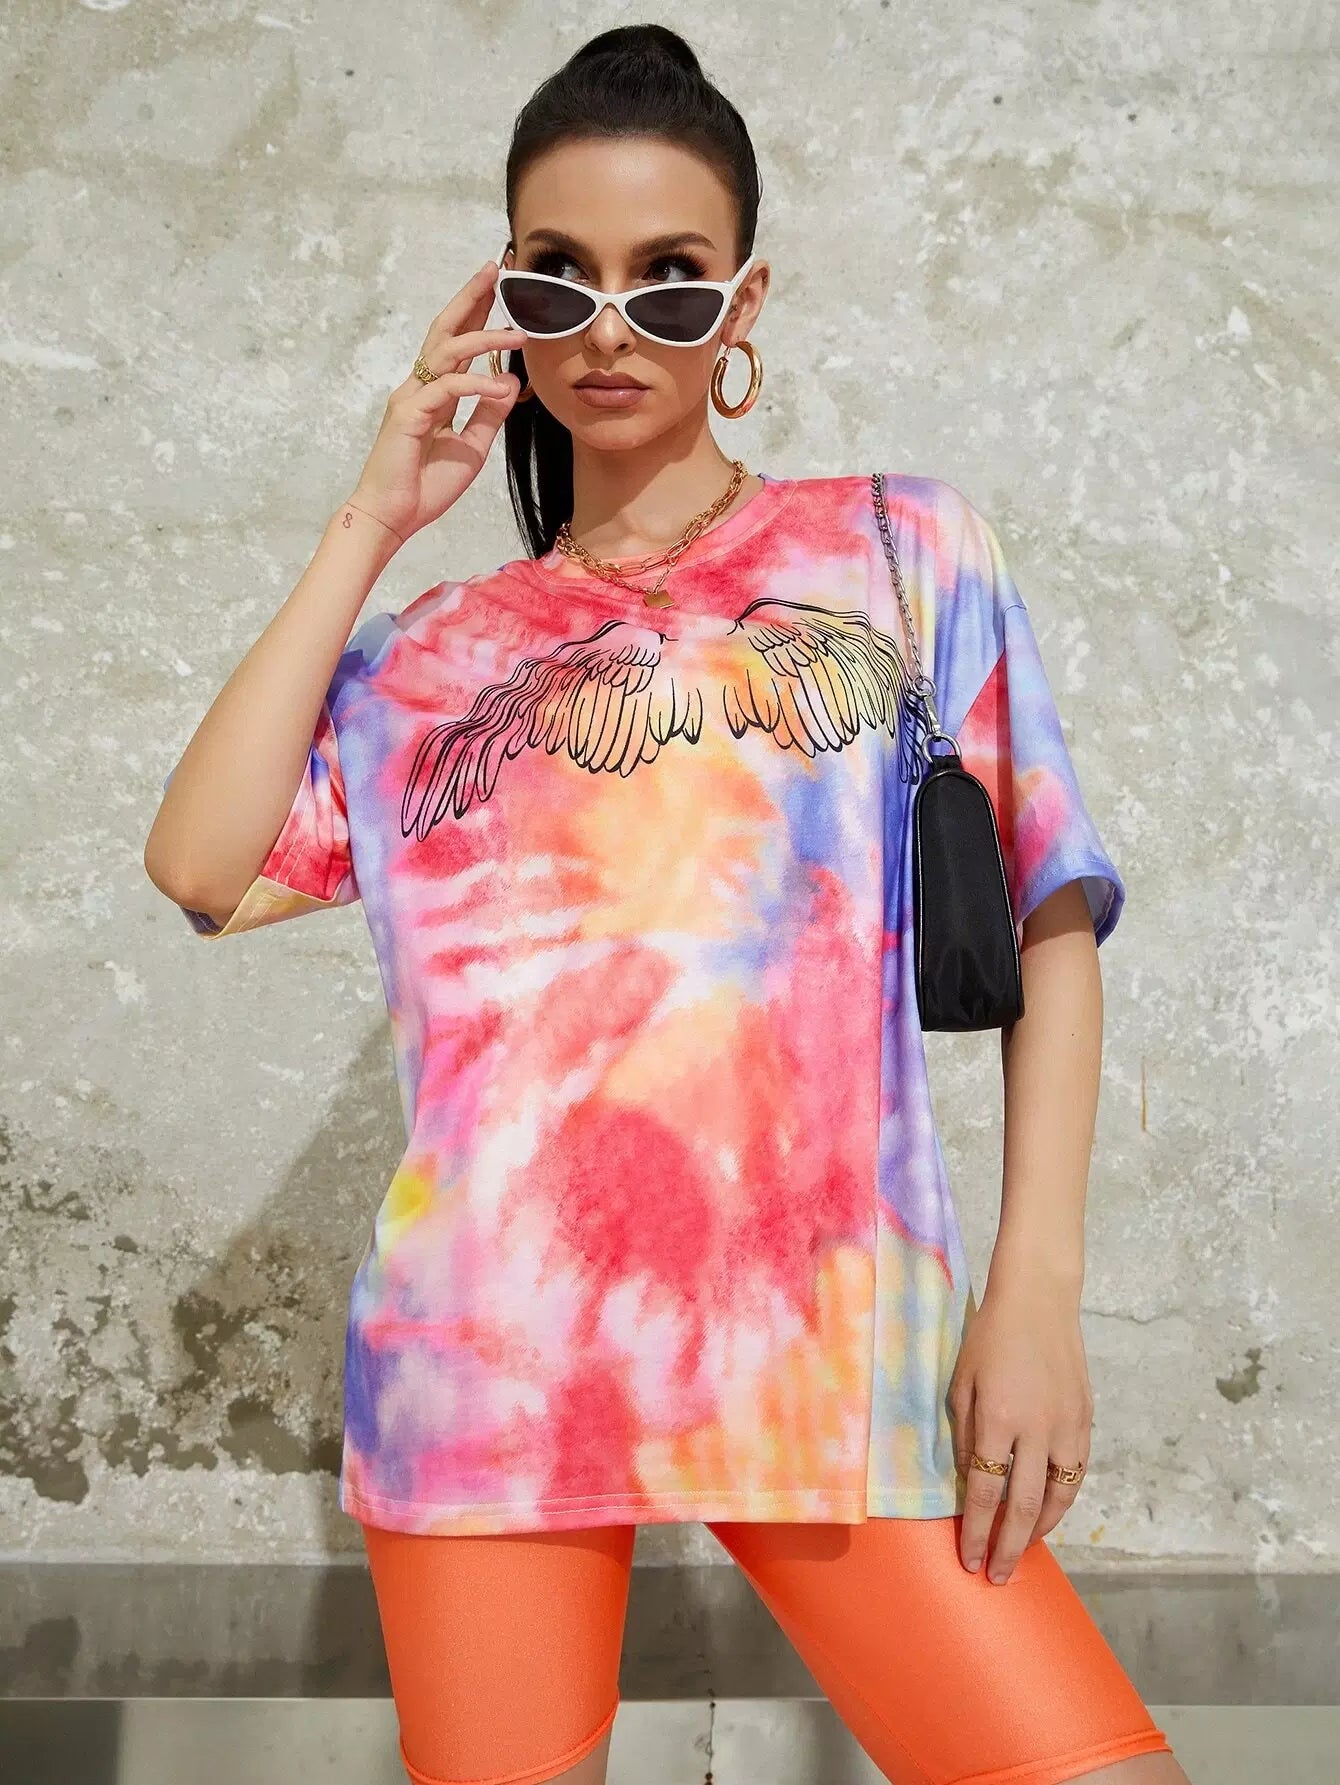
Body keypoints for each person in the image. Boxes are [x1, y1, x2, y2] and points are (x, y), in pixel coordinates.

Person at [144, 23, 1192, 1785]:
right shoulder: (429, 662)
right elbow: (198, 866)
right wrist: (372, 518)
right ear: (504, 303)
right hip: (487, 1375)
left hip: (830, 1354)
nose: (611, 328)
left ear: (743, 305)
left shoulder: (898, 551)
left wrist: (1037, 1287)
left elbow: (1048, 922)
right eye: (558, 280)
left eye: (671, 282)